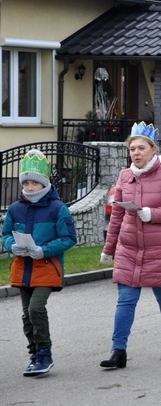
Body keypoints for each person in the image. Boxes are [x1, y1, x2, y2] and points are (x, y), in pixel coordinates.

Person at [99, 122, 161, 369]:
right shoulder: (124, 177)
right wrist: (109, 248)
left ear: (153, 150)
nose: (136, 153)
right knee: (126, 298)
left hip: (160, 248)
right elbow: (117, 215)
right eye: (132, 149)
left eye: (141, 148)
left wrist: (153, 214)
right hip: (130, 248)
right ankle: (118, 351)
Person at [2, 150, 78, 377]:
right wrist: (11, 245)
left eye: (35, 182)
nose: (30, 187)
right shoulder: (15, 209)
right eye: (26, 183)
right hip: (23, 268)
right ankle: (34, 355)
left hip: (47, 266)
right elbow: (5, 234)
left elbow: (69, 238)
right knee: (26, 314)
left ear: (44, 183)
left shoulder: (58, 208)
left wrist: (43, 250)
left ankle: (45, 353)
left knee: (36, 309)